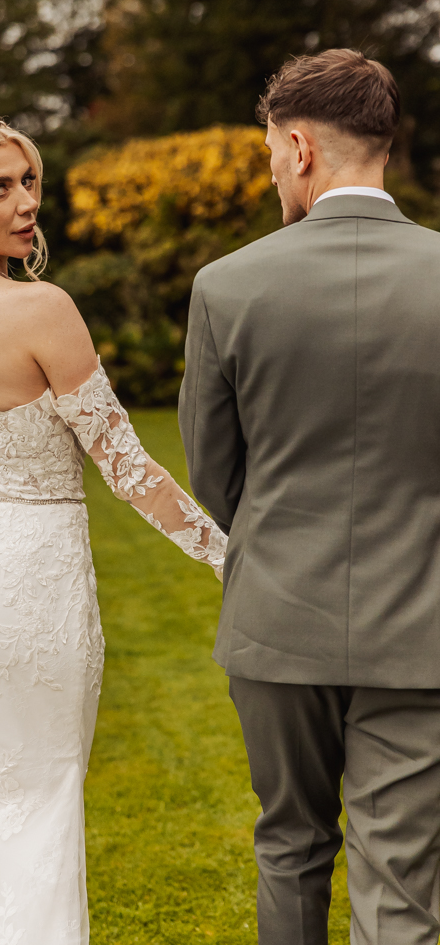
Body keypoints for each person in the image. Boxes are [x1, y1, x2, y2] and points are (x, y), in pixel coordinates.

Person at [0, 101, 227, 945]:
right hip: (26, 579)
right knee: (37, 793)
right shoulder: (44, 310)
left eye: (28, 180)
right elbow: (128, 470)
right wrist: (227, 555)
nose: (27, 201)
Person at [179, 48, 440, 944]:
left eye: (265, 154)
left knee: (289, 845)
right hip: (423, 626)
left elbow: (214, 475)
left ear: (296, 147)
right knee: (402, 876)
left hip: (276, 622)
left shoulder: (226, 285)